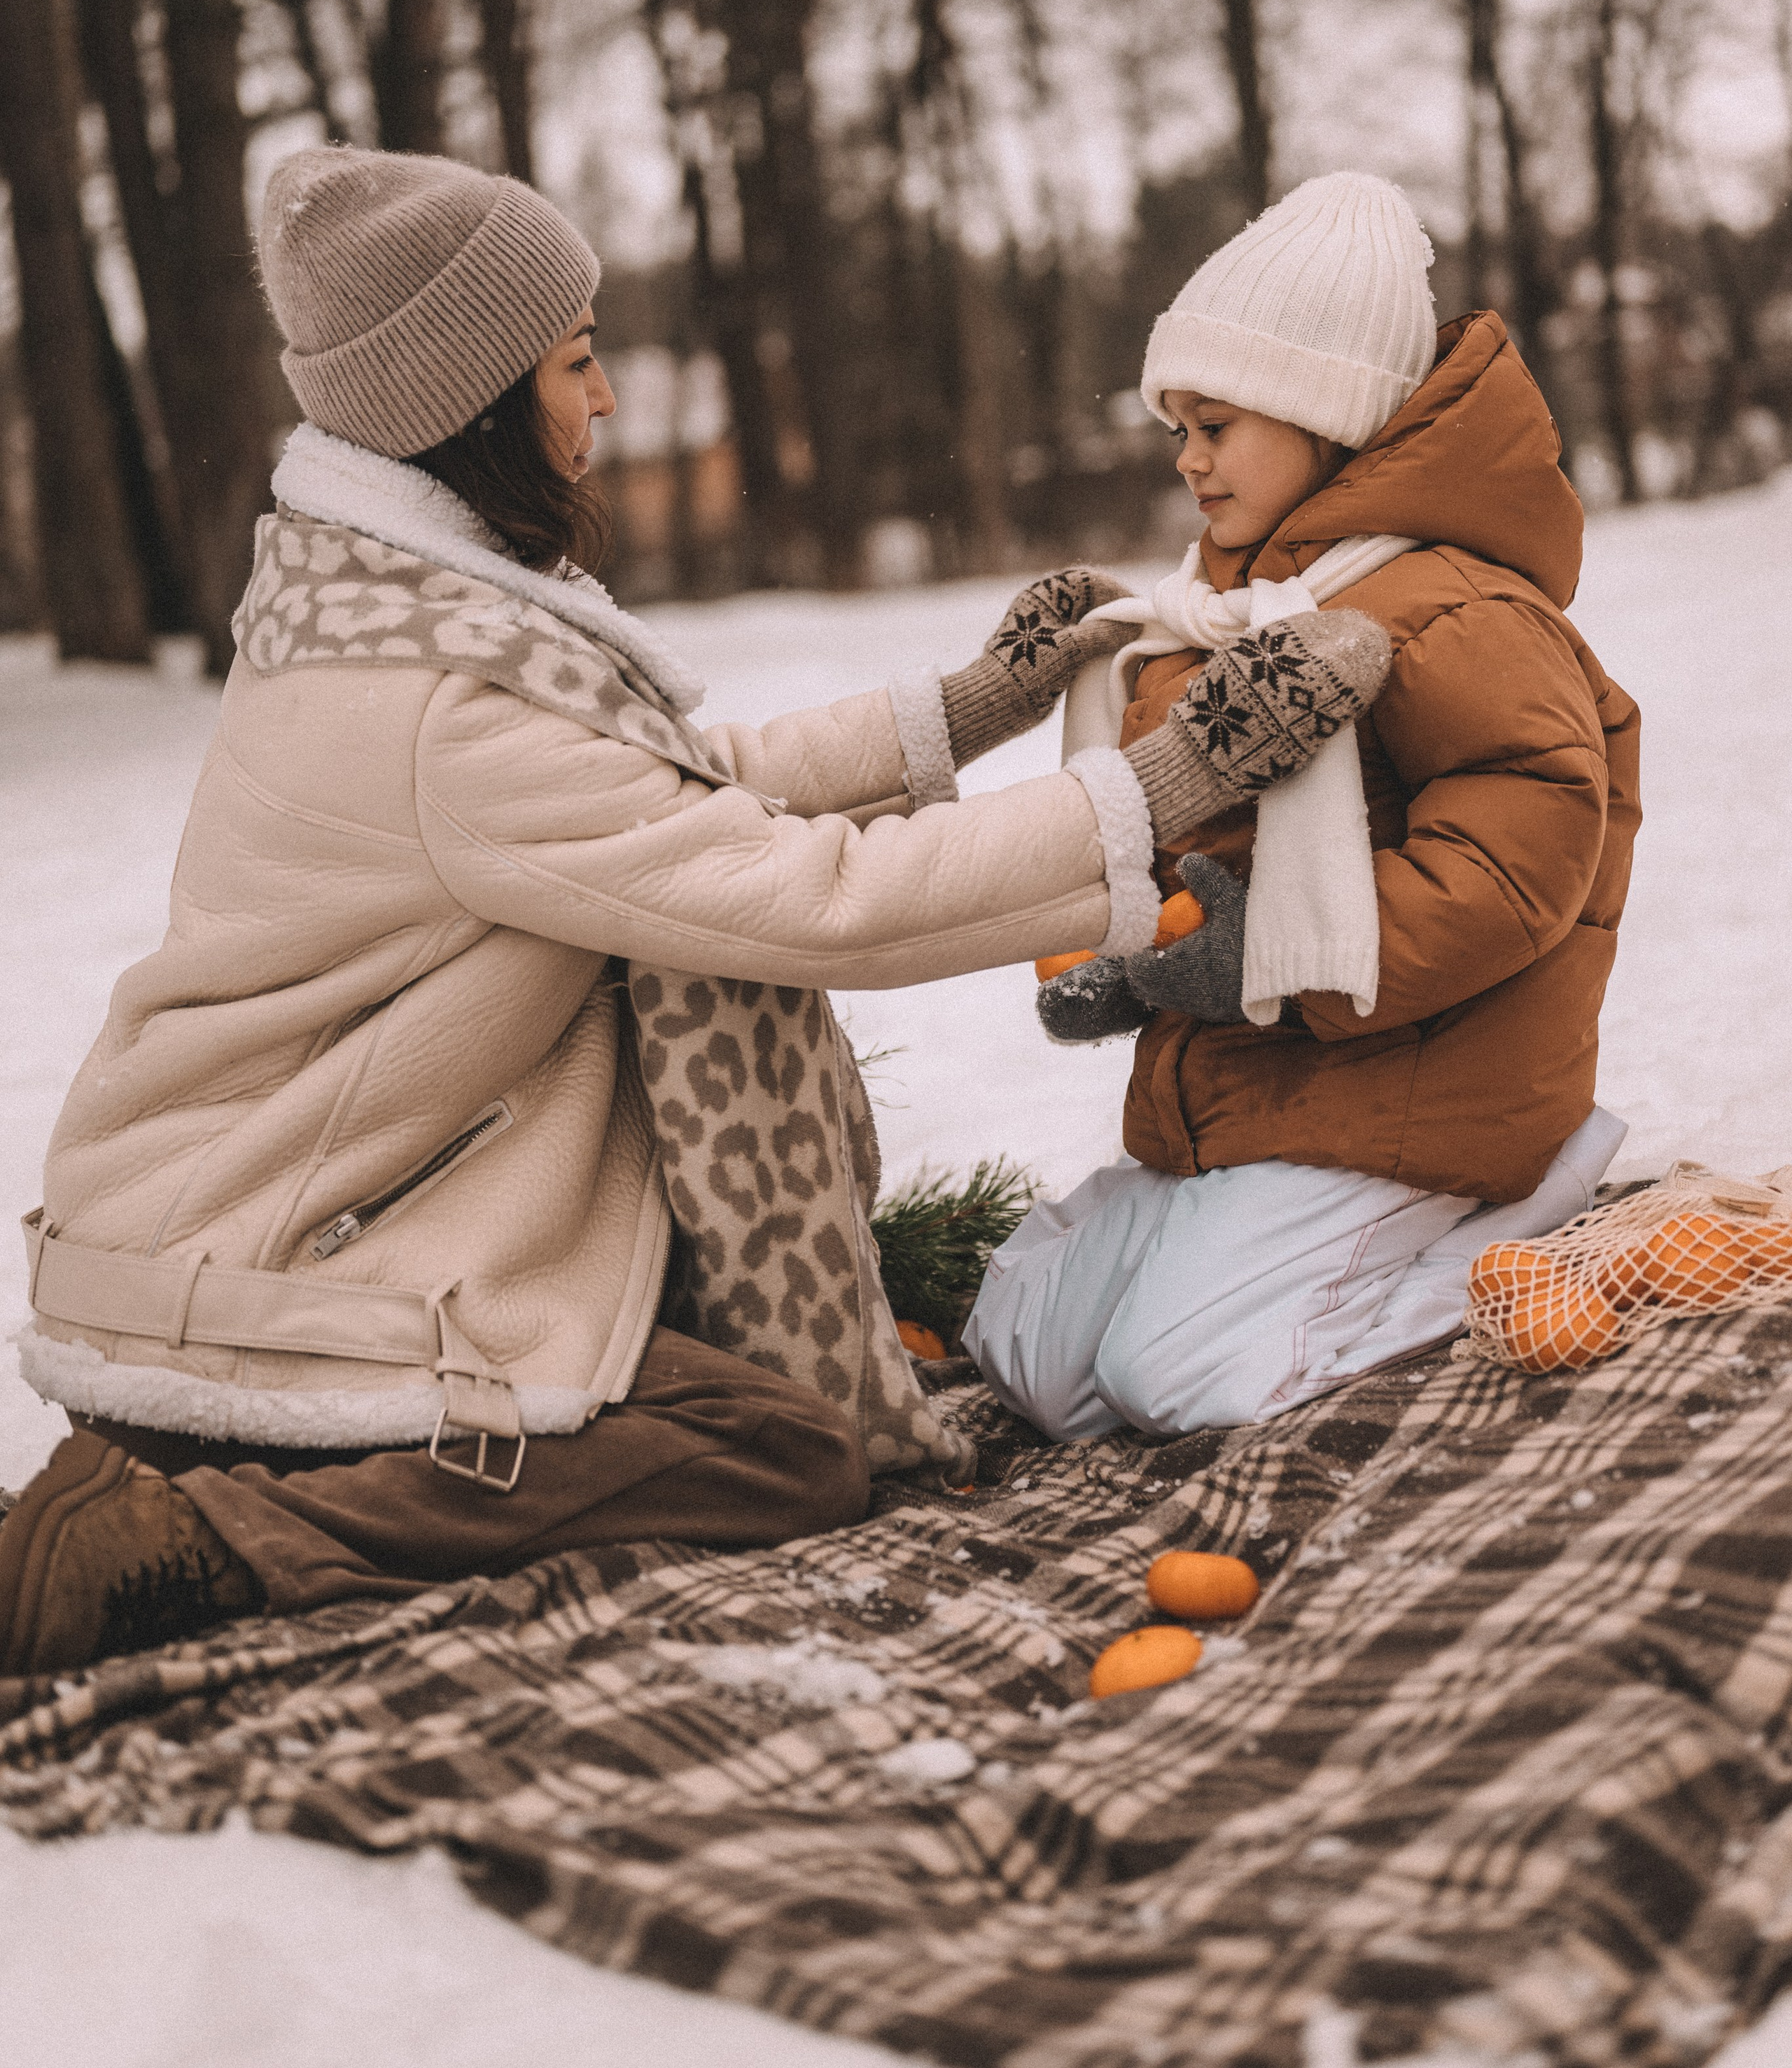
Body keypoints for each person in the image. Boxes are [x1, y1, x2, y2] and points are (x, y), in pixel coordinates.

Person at [0, 146, 1390, 1678]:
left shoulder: (389, 625)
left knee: (712, 1380)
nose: (604, 405)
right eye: (578, 363)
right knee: (776, 1450)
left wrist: (959, 711)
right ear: (472, 401)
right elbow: (808, 904)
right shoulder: (445, 704)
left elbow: (667, 791)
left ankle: (207, 1485)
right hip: (259, 1291)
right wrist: (1166, 780)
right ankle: (203, 1538)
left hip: (239, 1236)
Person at [962, 170, 1642, 1439]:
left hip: (1414, 1107)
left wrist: (1267, 958)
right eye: (1178, 424)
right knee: (1034, 1363)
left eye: (1218, 422)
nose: (1187, 456)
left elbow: (1523, 855)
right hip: (1250, 1094)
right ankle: (1240, 1271)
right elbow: (1186, 855)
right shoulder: (1219, 616)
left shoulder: (1450, 608)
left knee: (1180, 1379)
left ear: (1325, 415)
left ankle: (1515, 1244)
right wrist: (1141, 958)